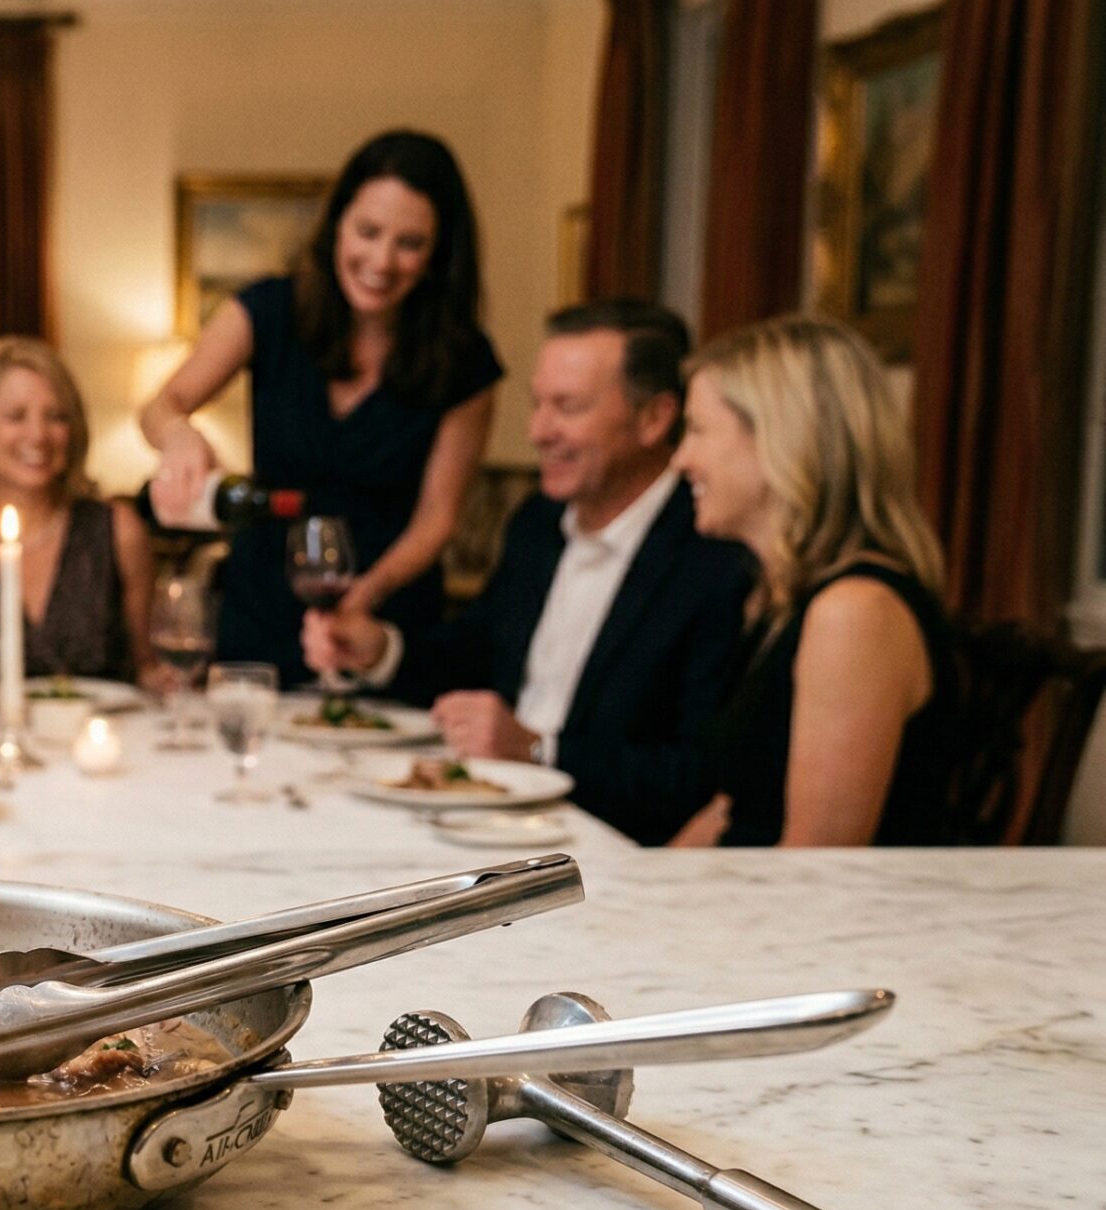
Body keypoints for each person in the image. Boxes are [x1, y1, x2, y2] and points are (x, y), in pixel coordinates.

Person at [305, 301, 753, 844]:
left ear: (653, 419)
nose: (538, 431)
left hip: (606, 847)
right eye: (538, 403)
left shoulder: (714, 555)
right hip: (484, 824)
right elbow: (474, 655)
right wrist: (380, 650)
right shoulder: (538, 522)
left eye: (566, 407)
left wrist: (539, 749)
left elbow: (697, 774)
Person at [140, 129, 502, 682]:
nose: (382, 261)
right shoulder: (267, 310)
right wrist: (179, 435)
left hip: (382, 613)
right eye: (368, 232)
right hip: (260, 606)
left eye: (410, 243)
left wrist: (361, 601)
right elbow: (161, 406)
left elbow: (436, 519)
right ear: (336, 224)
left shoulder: (465, 360)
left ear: (439, 255)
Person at [666, 315, 964, 847]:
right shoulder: (776, 597)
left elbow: (815, 865)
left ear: (780, 439)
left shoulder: (856, 612)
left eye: (697, 430)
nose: (680, 461)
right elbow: (727, 809)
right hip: (738, 904)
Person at [0, 336, 155, 682]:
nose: (38, 435)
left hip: (94, 734)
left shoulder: (119, 531)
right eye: (16, 416)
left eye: (56, 417)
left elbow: (147, 668)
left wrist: (165, 678)